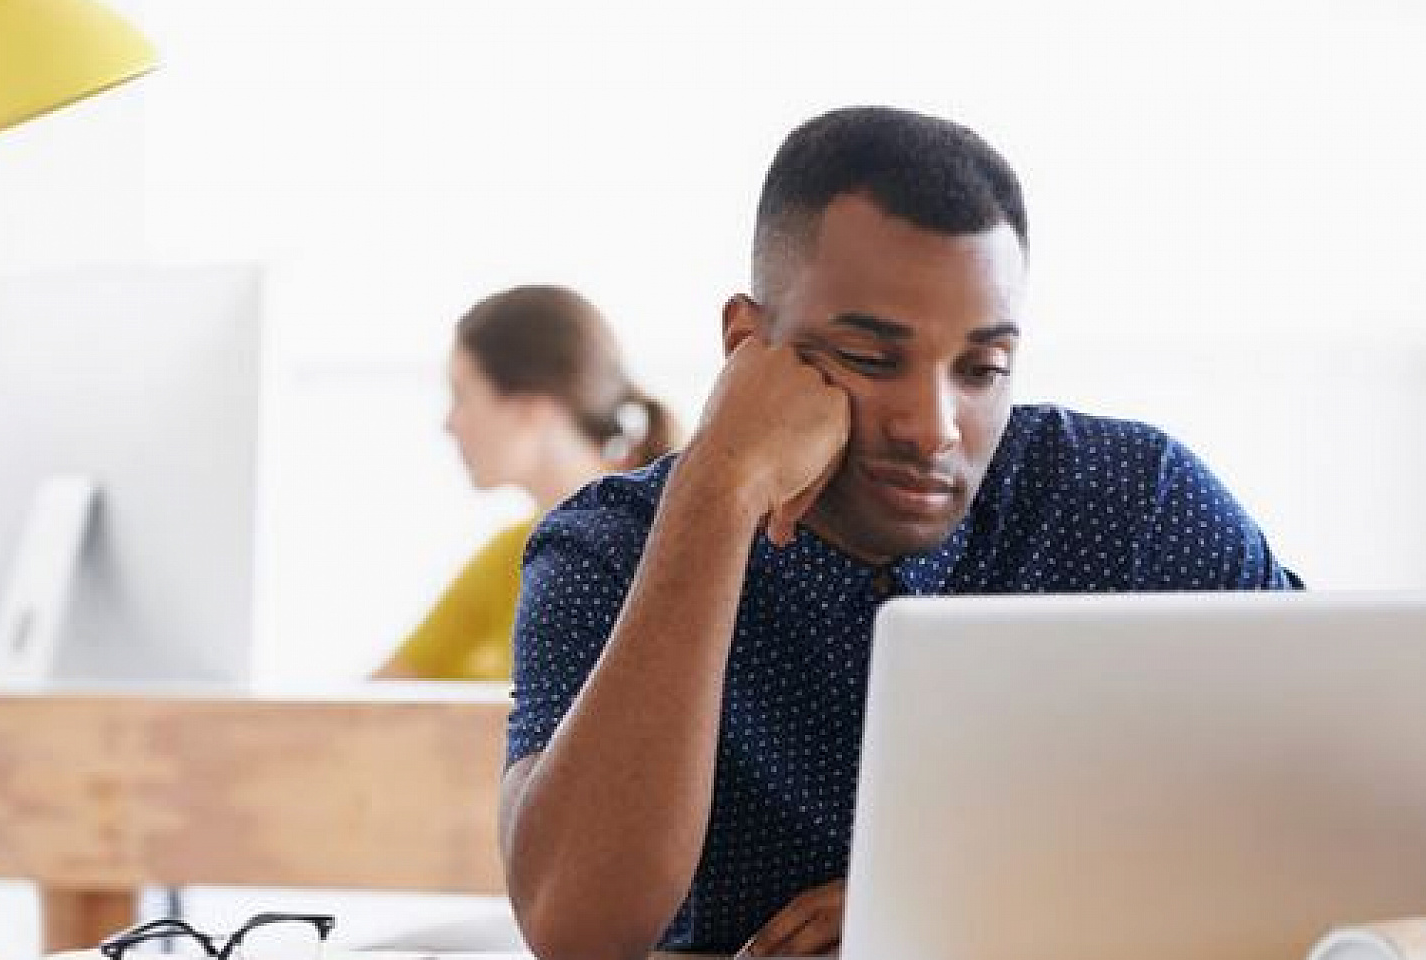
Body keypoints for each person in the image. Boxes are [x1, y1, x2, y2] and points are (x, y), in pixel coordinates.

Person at [497, 106, 1301, 960]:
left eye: (982, 368)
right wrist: (718, 493)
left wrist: (968, 902)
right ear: (748, 344)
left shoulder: (1134, 503)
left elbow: (1340, 794)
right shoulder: (608, 547)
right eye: (875, 360)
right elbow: (577, 932)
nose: (934, 427)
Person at [374, 285, 678, 681]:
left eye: (462, 395)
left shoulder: (659, 552)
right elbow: (371, 707)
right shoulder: (510, 554)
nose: (449, 423)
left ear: (534, 406)